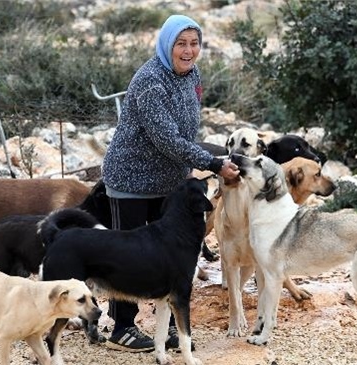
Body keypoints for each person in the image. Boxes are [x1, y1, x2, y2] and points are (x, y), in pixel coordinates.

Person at [101, 14, 239, 353]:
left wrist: (191, 166)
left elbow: (188, 125)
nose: (189, 51)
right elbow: (166, 138)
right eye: (181, 44)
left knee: (166, 254)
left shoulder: (192, 75)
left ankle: (168, 326)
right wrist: (212, 163)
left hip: (168, 181)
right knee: (128, 255)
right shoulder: (151, 81)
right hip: (131, 179)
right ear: (167, 45)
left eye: (194, 43)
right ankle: (121, 327)